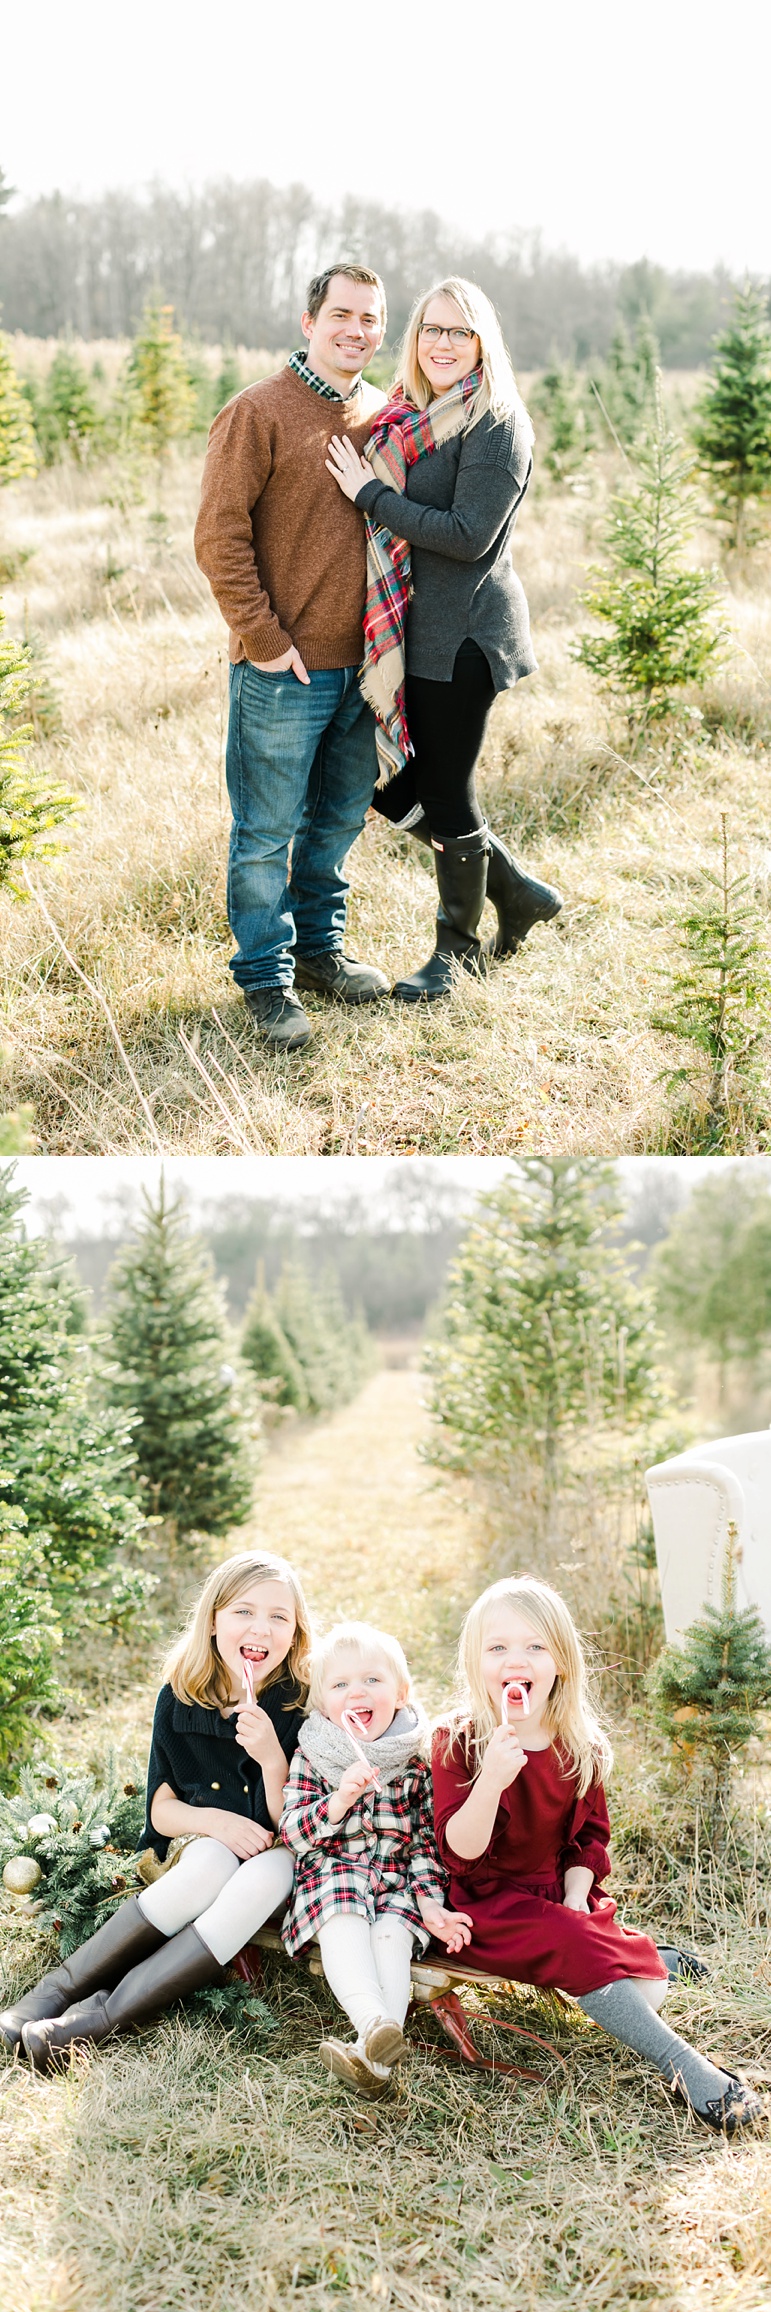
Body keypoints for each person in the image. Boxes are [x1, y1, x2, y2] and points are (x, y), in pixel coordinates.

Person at [431, 1574, 763, 2136]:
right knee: (579, 1948)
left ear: (560, 1661)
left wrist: (577, 1893)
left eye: (535, 1646)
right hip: (485, 1904)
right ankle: (688, 2069)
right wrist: (490, 1782)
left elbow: (589, 1839)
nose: (517, 1659)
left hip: (555, 1893)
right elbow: (459, 1856)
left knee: (645, 1985)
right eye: (499, 1648)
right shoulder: (457, 1742)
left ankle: (650, 1956)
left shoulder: (577, 1744)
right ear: (475, 1662)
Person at [326, 276, 562, 1001]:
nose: (443, 344)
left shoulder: (496, 423)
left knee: (444, 794)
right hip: (410, 631)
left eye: (459, 331)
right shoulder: (412, 414)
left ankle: (453, 955)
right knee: (393, 785)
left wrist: (371, 494)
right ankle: (517, 890)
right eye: (431, 329)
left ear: (482, 341)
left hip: (463, 637)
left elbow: (467, 538)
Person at [5, 1553, 312, 2072]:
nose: (261, 1627)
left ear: (296, 1632)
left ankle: (98, 2022)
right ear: (213, 1620)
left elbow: (301, 1824)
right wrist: (215, 1822)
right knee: (212, 1861)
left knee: (261, 1877)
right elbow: (162, 1810)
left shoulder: (302, 1704)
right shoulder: (180, 1697)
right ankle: (55, 1992)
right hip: (206, 1847)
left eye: (279, 1617)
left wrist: (271, 1758)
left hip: (287, 1850)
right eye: (244, 1612)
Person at [194, 266, 391, 1052]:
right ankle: (266, 981)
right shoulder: (256, 411)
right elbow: (218, 538)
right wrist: (268, 644)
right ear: (308, 321)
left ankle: (319, 954)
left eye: (370, 319)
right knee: (265, 833)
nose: (356, 330)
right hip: (286, 672)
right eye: (340, 315)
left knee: (337, 823)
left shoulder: (383, 413)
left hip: (368, 670)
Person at [280, 1620, 471, 2099]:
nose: (355, 1692)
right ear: (324, 1703)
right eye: (340, 1684)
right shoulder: (314, 1755)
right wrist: (337, 1802)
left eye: (371, 1680)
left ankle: (375, 2062)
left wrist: (429, 1904)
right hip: (334, 1872)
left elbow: (425, 1843)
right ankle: (372, 2024)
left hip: (397, 1883)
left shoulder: (415, 1761)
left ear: (401, 1693)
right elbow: (294, 1832)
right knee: (343, 1917)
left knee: (391, 1937)